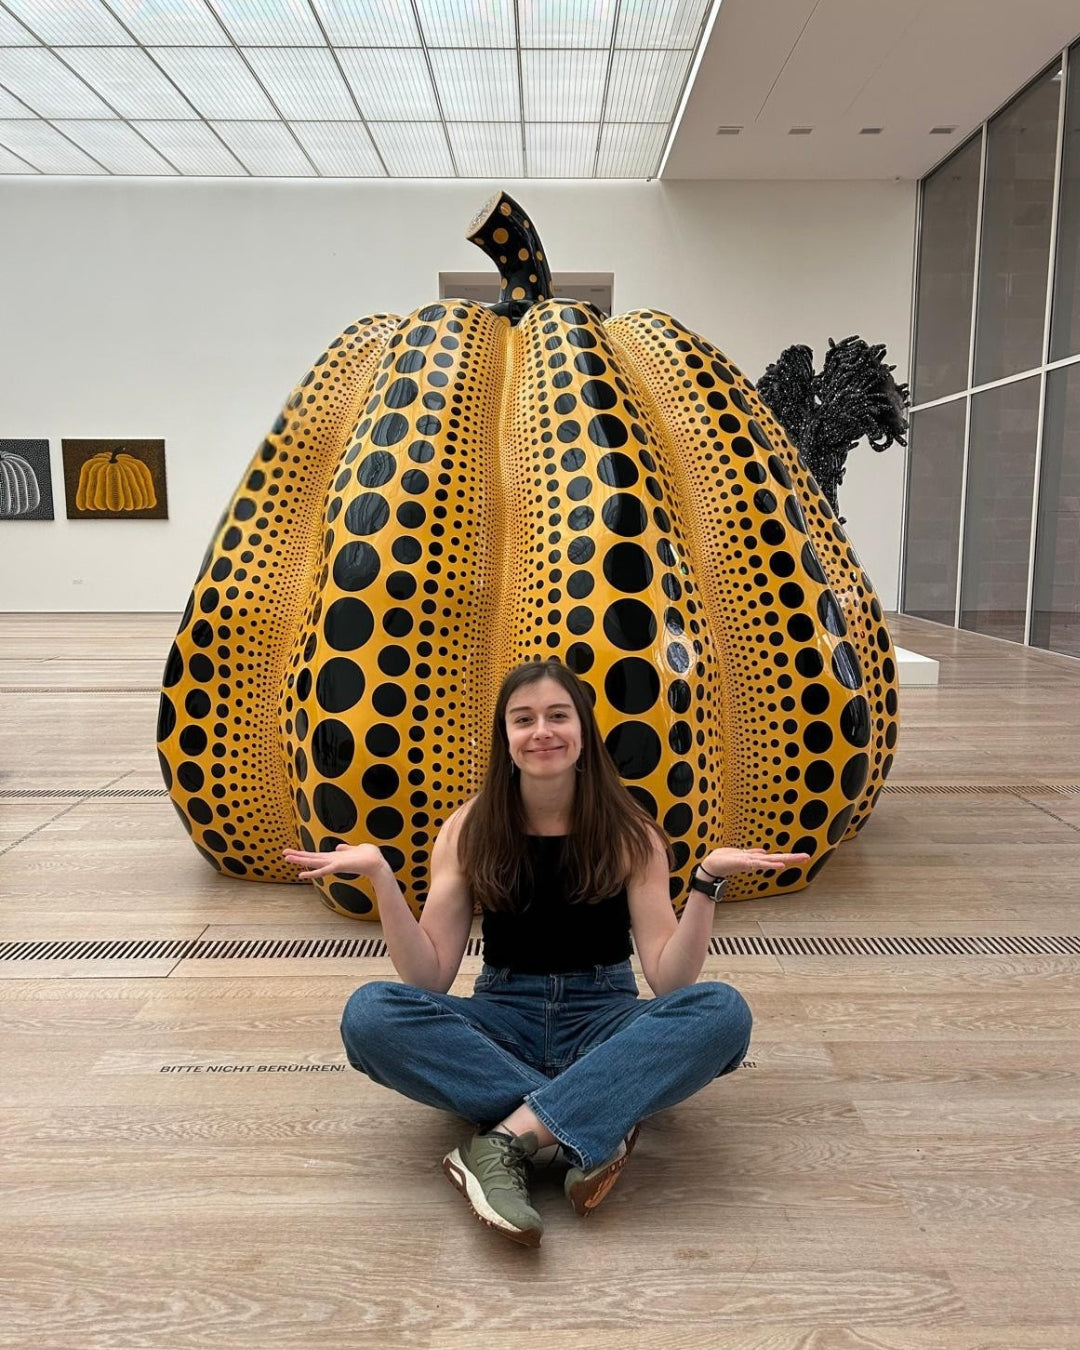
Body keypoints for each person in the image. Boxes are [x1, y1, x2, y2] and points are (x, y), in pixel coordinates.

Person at [283, 659, 808, 1247]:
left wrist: (706, 882)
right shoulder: (469, 828)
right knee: (370, 1015)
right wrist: (381, 877)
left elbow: (671, 982)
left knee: (723, 1013)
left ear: (582, 731)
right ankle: (595, 1109)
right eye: (523, 719)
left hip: (603, 1016)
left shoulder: (631, 832)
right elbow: (427, 979)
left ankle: (505, 1139)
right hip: (501, 1016)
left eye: (558, 716)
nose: (542, 732)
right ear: (505, 739)